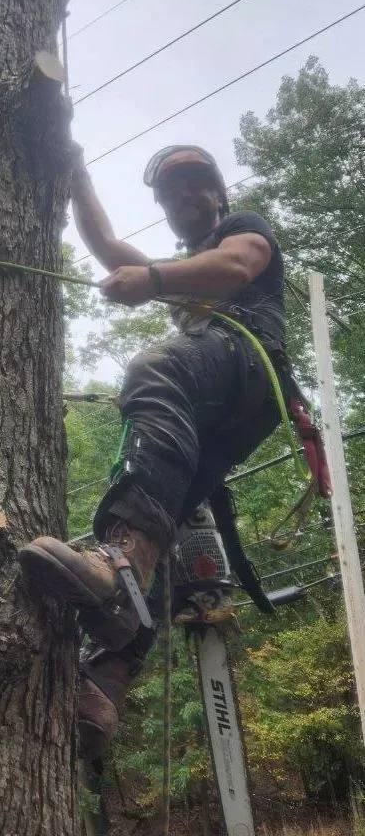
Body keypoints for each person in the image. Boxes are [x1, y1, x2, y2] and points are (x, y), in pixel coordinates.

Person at [19, 144, 286, 759]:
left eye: (195, 186)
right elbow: (113, 251)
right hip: (226, 411)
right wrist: (76, 175)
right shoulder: (194, 264)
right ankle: (105, 684)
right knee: (169, 518)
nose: (184, 198)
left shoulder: (242, 232)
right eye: (171, 194)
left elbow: (239, 266)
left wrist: (155, 281)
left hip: (251, 366)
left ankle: (115, 567)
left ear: (218, 194)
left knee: (154, 369)